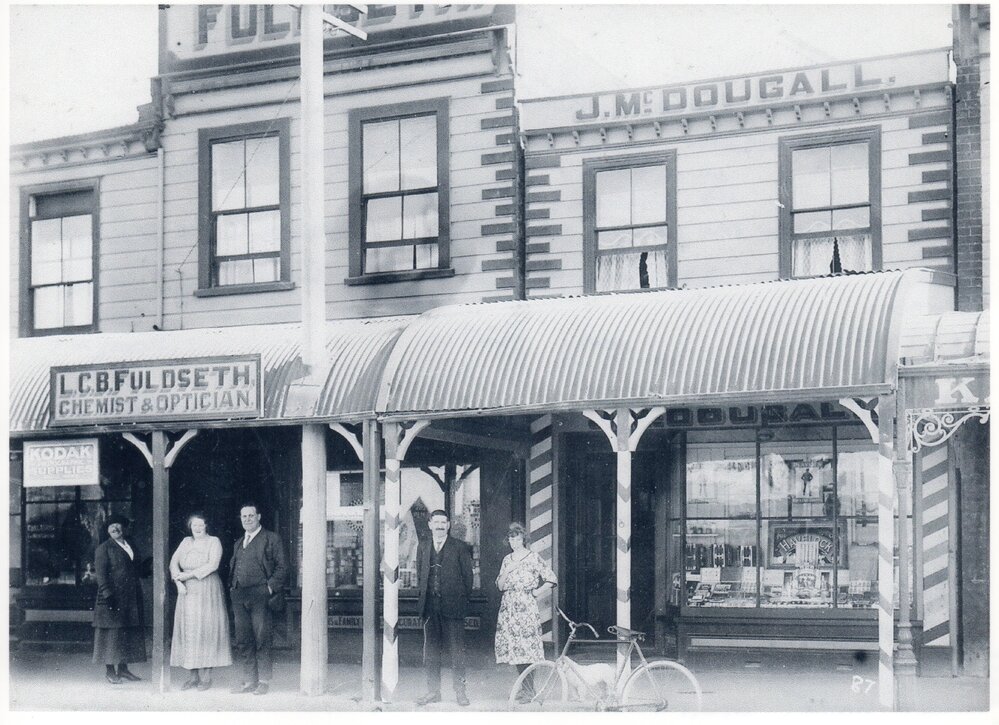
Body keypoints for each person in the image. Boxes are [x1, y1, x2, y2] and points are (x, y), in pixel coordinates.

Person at [415, 509, 473, 707]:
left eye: (443, 522)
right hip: (430, 607)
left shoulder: (460, 547)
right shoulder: (423, 546)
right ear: (430, 524)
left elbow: (468, 579)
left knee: (457, 652)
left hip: (453, 607)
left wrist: (459, 600)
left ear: (448, 525)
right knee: (431, 652)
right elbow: (420, 575)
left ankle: (460, 692)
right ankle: (433, 692)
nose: (440, 526)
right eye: (436, 522)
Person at [494, 522, 557, 703]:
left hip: (526, 607)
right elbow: (500, 586)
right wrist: (507, 571)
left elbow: (551, 579)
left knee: (527, 648)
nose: (514, 542)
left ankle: (529, 691)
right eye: (511, 539)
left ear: (524, 539)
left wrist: (537, 592)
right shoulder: (507, 560)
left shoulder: (533, 557)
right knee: (515, 649)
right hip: (509, 608)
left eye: (517, 538)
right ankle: (526, 688)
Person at [228, 502, 286, 696]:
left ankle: (263, 681)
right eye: (244, 516)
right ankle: (249, 680)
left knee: (262, 638)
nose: (247, 519)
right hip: (239, 595)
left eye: (251, 516)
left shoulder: (271, 538)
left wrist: (269, 588)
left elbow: (282, 567)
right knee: (243, 639)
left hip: (260, 595)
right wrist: (233, 588)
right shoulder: (239, 542)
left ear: (258, 517)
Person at [169, 512, 232, 690]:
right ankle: (193, 677)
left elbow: (213, 565)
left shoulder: (214, 541)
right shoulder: (185, 542)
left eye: (201, 525)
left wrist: (187, 576)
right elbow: (173, 563)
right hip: (186, 591)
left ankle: (206, 678)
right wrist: (178, 583)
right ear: (190, 527)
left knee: (206, 631)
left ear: (206, 526)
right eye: (194, 525)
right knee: (189, 631)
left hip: (207, 588)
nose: (197, 528)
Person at [92, 514, 147, 685]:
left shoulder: (130, 545)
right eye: (111, 526)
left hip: (130, 597)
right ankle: (110, 671)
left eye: (117, 525)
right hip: (112, 597)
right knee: (111, 634)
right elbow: (101, 575)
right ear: (107, 531)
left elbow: (134, 567)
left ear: (124, 527)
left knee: (127, 632)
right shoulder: (104, 548)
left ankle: (123, 669)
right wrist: (108, 595)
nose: (115, 528)